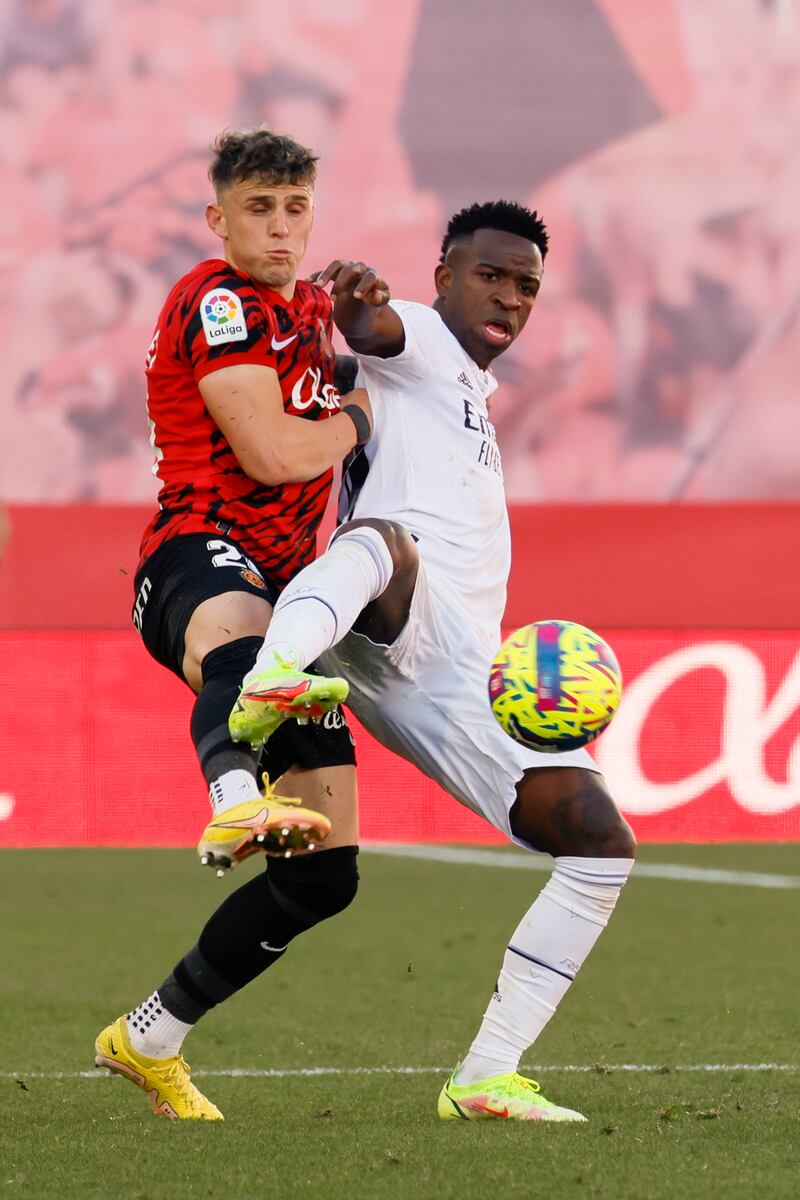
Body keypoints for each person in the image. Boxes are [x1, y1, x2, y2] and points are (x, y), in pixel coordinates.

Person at [230, 201, 637, 1124]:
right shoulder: (417, 339)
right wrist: (358, 299)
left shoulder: (469, 393)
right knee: (386, 537)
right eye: (490, 275)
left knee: (599, 842)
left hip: (457, 669)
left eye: (526, 285)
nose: (509, 296)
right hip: (385, 607)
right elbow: (372, 322)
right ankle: (271, 677)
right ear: (445, 274)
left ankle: (486, 1076)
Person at [94, 127, 381, 1121]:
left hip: (292, 594)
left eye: (294, 206)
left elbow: (326, 368)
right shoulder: (215, 301)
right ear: (218, 218)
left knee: (326, 877)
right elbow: (268, 451)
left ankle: (149, 1037)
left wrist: (359, 327)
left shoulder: (304, 306)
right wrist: (362, 415)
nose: (279, 225)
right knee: (244, 640)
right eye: (258, 207)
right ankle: (230, 792)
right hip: (194, 550)